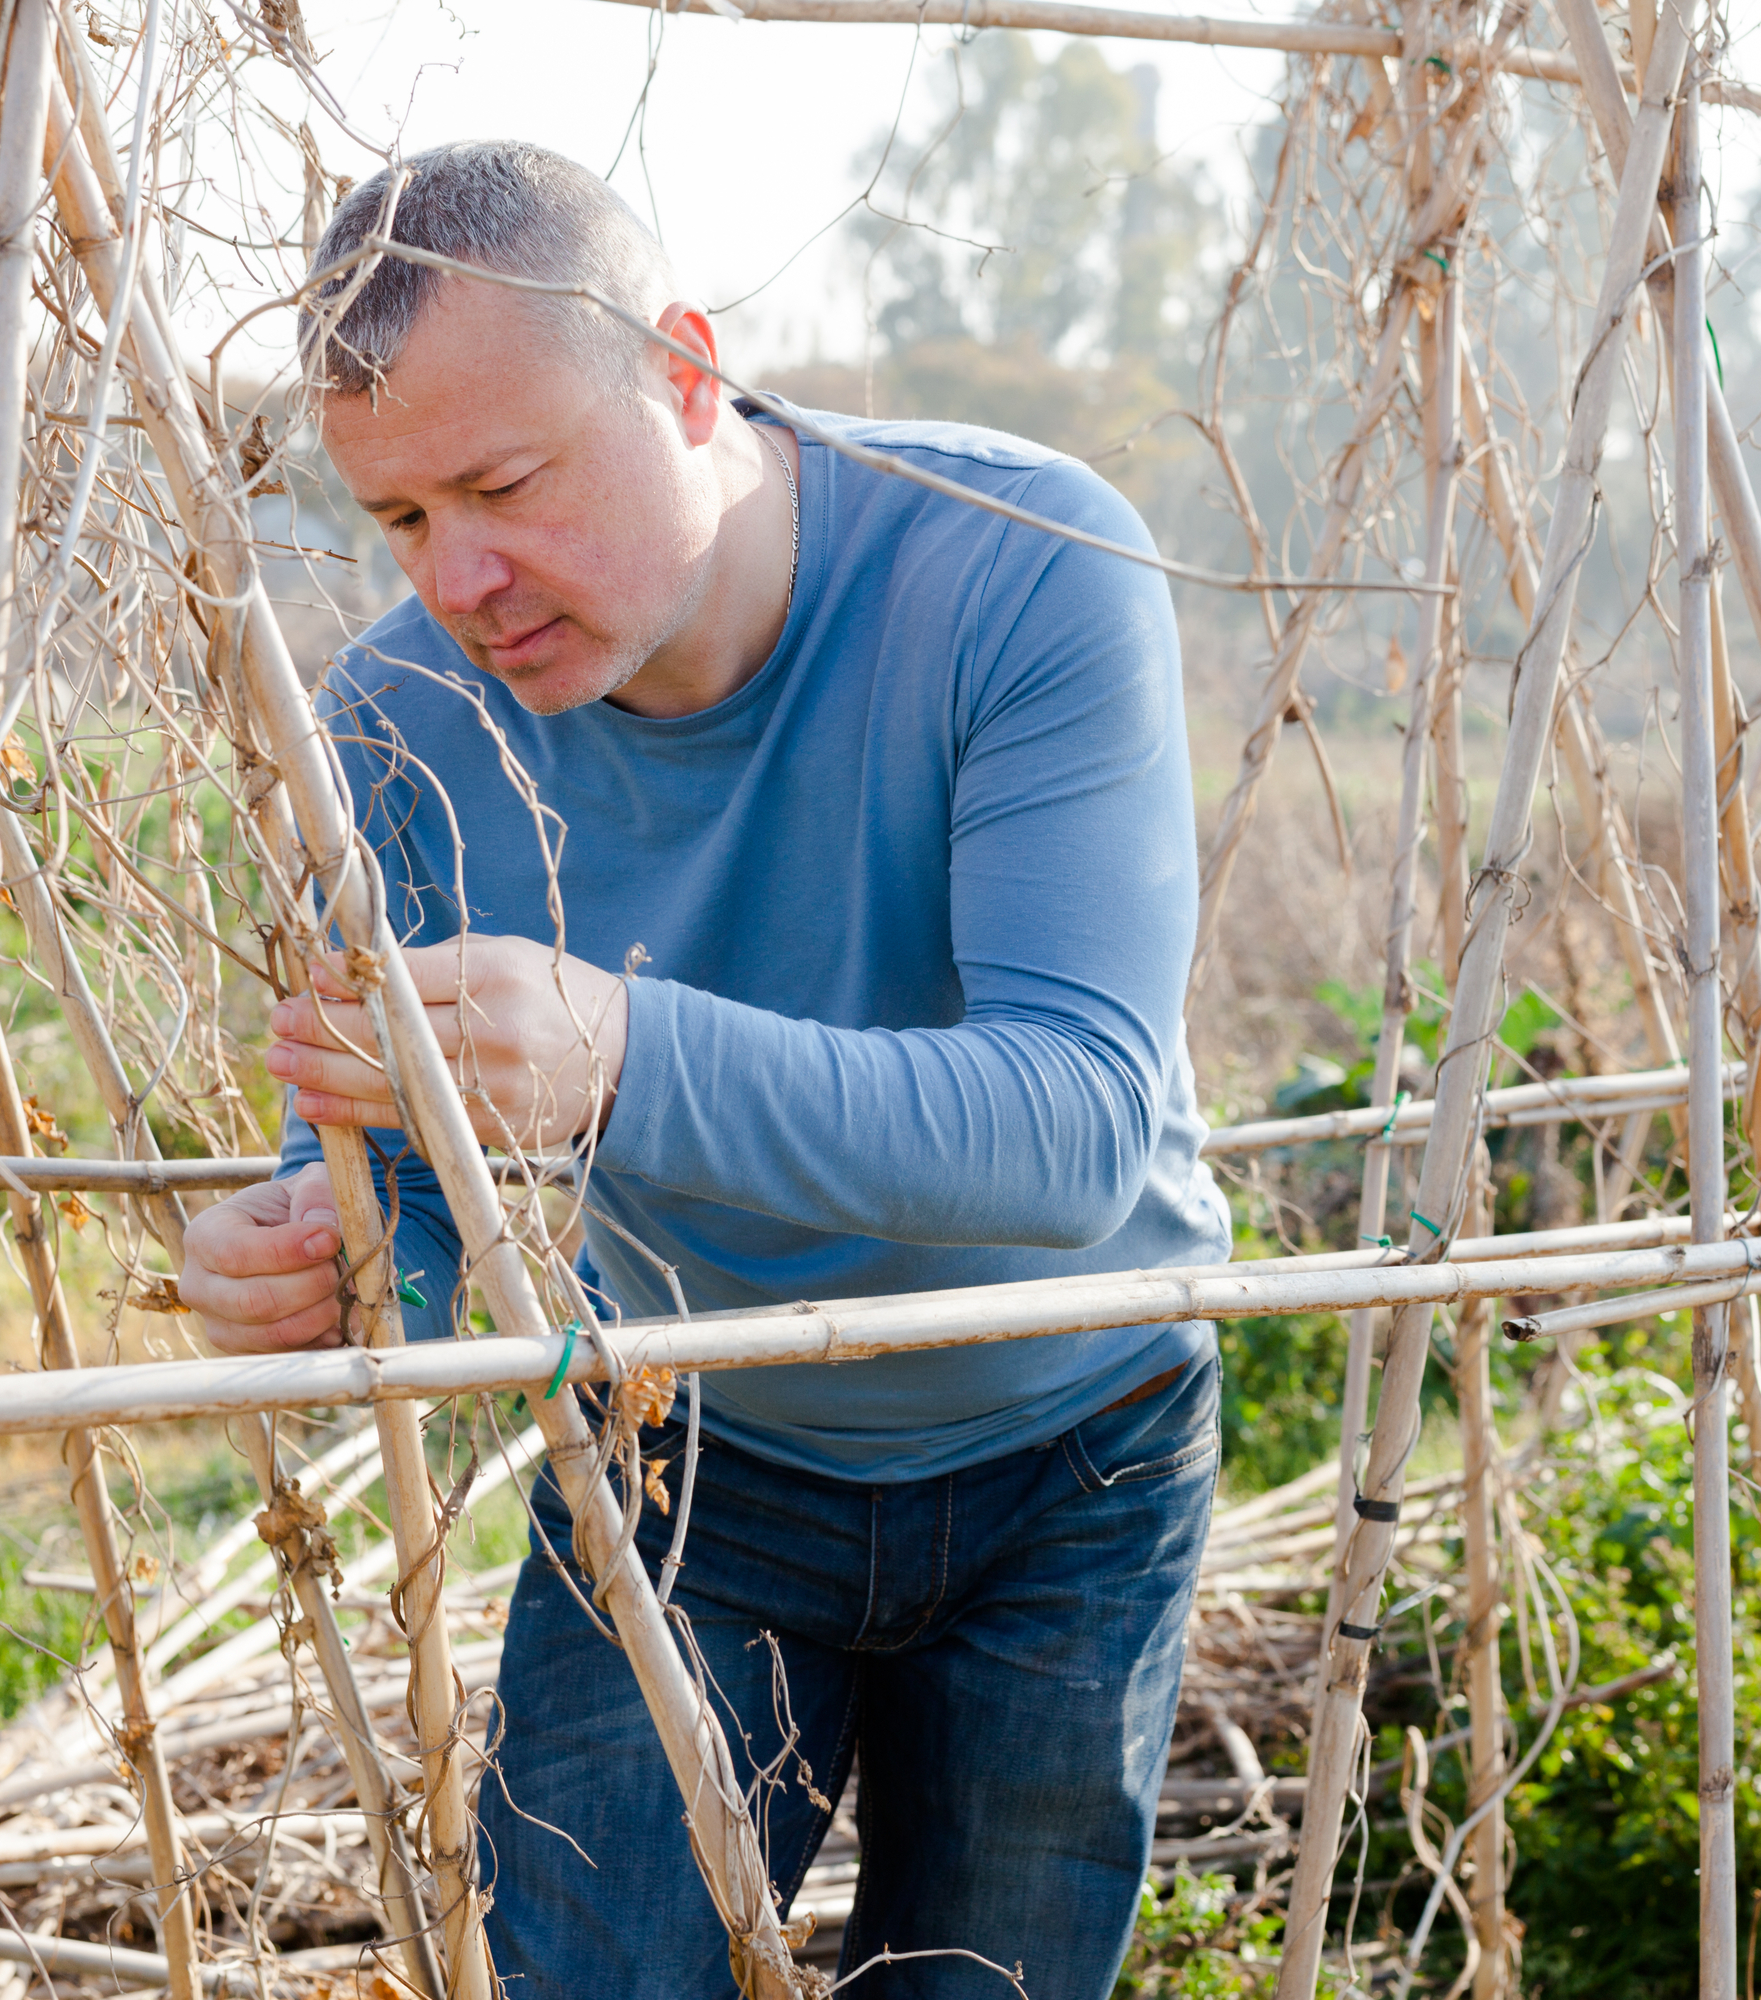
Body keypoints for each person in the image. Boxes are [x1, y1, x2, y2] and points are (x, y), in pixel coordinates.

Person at [176, 139, 1232, 1998]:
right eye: (403, 522)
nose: (465, 582)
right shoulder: (396, 722)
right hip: (680, 1458)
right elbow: (397, 1195)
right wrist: (314, 1249)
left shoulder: (1019, 566)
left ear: (685, 368)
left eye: (504, 485)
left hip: (1074, 1450)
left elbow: (1076, 1124)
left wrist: (612, 1053)